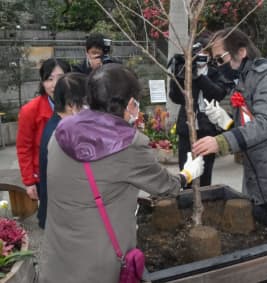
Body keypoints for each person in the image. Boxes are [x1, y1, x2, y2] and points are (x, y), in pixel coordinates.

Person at [38, 63, 204, 283]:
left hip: (57, 255)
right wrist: (188, 174)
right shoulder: (128, 144)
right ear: (130, 104)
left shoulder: (62, 130)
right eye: (136, 103)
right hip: (98, 264)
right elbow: (167, 186)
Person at [193, 28, 267, 224]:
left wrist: (221, 142)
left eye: (221, 59)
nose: (218, 66)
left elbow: (265, 123)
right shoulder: (242, 79)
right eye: (215, 61)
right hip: (257, 176)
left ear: (241, 51)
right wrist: (225, 121)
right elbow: (247, 126)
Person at [169, 32, 229, 187]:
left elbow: (218, 93)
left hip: (207, 129)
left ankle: (204, 203)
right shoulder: (186, 71)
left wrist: (201, 77)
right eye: (198, 53)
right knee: (186, 170)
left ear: (210, 55)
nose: (201, 57)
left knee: (205, 172)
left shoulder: (216, 72)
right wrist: (178, 76)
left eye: (205, 53)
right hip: (186, 129)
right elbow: (175, 98)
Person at [37, 73, 87, 229]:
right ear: (71, 105)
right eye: (86, 103)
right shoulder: (62, 134)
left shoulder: (59, 125)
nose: (90, 108)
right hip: (62, 219)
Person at [16, 58, 71, 200]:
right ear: (42, 81)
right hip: (44, 175)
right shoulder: (30, 110)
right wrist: (29, 182)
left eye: (60, 78)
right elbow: (24, 148)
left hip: (73, 175)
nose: (54, 85)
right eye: (49, 79)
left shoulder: (78, 106)